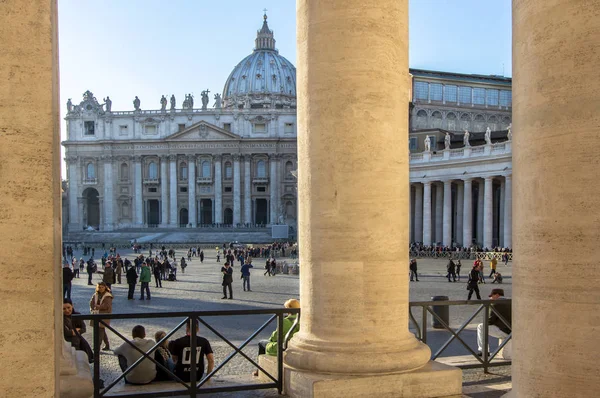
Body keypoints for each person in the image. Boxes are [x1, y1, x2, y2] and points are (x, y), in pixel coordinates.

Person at [253, 299, 300, 376]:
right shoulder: (302, 321)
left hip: (283, 347)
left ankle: (259, 369)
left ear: (288, 310)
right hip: (294, 346)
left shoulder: (285, 321)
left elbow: (274, 337)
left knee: (262, 343)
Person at [477, 288, 511, 356]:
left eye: (492, 296)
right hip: (512, 330)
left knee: (481, 327)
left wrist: (490, 306)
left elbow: (490, 321)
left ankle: (484, 351)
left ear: (497, 295)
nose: (491, 298)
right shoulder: (510, 302)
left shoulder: (496, 304)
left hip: (506, 332)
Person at [89, 282, 113, 350]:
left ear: (105, 287)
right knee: (101, 330)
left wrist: (98, 307)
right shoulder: (95, 295)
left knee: (101, 330)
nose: (101, 289)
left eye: (102, 287)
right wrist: (92, 308)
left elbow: (107, 305)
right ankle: (107, 344)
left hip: (104, 314)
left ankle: (97, 346)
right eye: (99, 287)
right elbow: (91, 303)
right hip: (96, 314)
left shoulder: (108, 296)